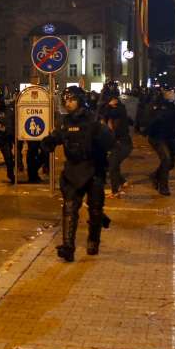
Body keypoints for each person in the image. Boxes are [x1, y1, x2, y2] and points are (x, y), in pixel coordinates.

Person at [42, 87, 114, 262]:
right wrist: (49, 141)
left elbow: (110, 142)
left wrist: (101, 134)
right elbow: (57, 136)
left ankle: (93, 240)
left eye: (72, 100)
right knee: (69, 208)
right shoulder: (65, 121)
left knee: (95, 209)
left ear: (80, 100)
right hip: (73, 170)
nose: (68, 103)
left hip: (93, 169)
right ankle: (68, 247)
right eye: (65, 100)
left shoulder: (94, 120)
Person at [146, 88, 175, 196]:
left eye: (172, 92)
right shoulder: (158, 104)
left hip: (170, 137)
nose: (171, 94)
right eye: (168, 92)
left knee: (170, 163)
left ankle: (155, 175)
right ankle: (163, 186)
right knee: (166, 159)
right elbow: (151, 118)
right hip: (157, 137)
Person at [98, 83, 133, 198]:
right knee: (111, 164)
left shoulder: (119, 109)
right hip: (117, 143)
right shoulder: (112, 110)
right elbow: (101, 114)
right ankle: (122, 182)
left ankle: (115, 191)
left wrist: (107, 106)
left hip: (122, 143)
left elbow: (107, 113)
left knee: (112, 165)